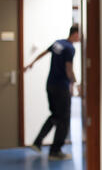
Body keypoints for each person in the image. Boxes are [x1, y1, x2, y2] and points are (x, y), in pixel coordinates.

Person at [24, 25, 80, 160]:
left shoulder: (58, 43)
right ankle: (55, 151)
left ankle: (37, 142)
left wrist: (31, 64)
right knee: (64, 119)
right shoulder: (70, 48)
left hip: (50, 85)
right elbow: (69, 69)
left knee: (55, 115)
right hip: (61, 87)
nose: (81, 38)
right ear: (75, 34)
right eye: (80, 35)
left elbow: (42, 53)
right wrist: (75, 83)